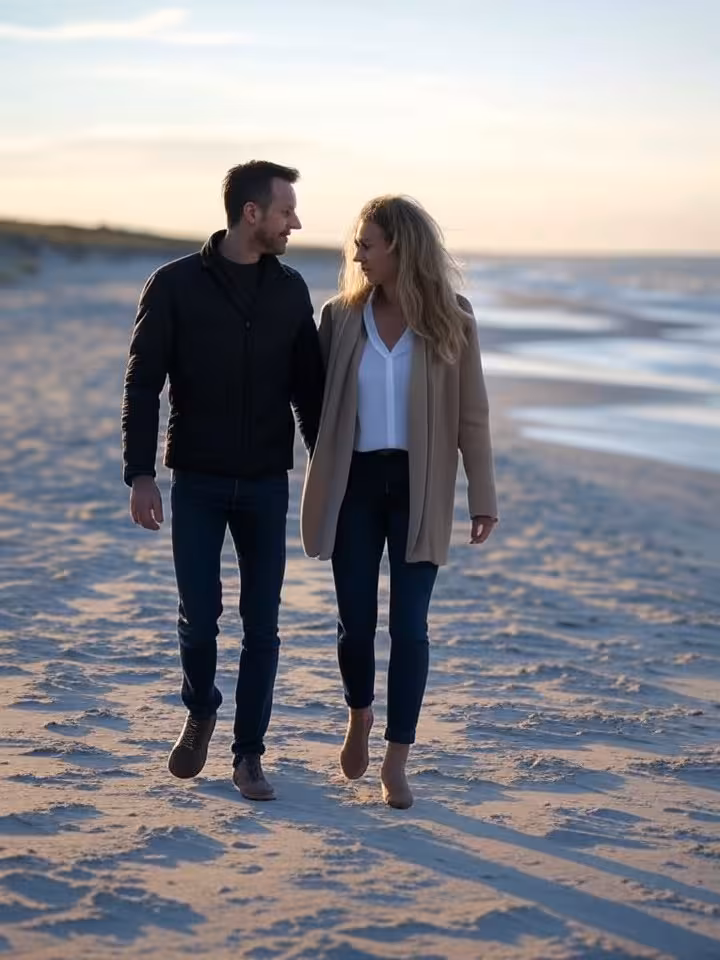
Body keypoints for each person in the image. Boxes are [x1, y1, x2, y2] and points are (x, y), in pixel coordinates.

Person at [122, 161, 324, 801]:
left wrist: (324, 471)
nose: (297, 221)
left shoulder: (291, 290)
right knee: (199, 617)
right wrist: (140, 473)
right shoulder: (176, 285)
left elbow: (309, 394)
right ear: (251, 213)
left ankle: (248, 756)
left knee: (262, 624)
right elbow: (142, 382)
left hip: (267, 482)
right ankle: (201, 706)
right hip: (200, 482)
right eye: (287, 209)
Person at [301, 195, 497, 809]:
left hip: (420, 487)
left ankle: (396, 759)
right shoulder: (339, 316)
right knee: (355, 623)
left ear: (400, 249)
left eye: (368, 243)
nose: (357, 254)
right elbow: (314, 405)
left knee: (409, 628)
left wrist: (481, 497)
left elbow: (474, 417)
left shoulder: (452, 319)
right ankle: (359, 715)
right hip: (356, 485)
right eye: (358, 244)